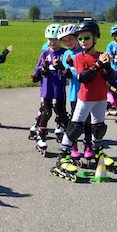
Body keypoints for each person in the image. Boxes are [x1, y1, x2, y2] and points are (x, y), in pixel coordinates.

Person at [52, 21, 116, 181]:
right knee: (76, 126)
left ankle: (98, 151)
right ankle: (63, 156)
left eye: (86, 38)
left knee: (98, 127)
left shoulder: (101, 55)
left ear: (95, 38)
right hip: (86, 98)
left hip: (101, 97)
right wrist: (98, 64)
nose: (83, 41)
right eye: (80, 38)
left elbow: (111, 77)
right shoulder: (80, 57)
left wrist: (107, 66)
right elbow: (82, 77)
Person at [29, 24, 68, 155]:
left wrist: (63, 67)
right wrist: (37, 74)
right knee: (46, 112)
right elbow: (38, 68)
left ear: (60, 39)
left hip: (59, 88)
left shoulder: (64, 53)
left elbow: (69, 69)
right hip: (47, 89)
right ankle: (41, 136)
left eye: (55, 39)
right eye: (50, 39)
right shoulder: (45, 53)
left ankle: (66, 134)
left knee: (61, 112)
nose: (52, 42)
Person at [58, 24, 93, 158]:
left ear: (77, 37)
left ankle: (88, 144)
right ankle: (73, 145)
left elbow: (87, 73)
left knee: (88, 121)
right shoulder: (66, 54)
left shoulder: (84, 52)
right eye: (64, 41)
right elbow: (68, 75)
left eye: (70, 39)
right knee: (75, 121)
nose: (68, 43)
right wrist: (62, 68)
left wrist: (73, 64)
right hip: (74, 92)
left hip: (87, 92)